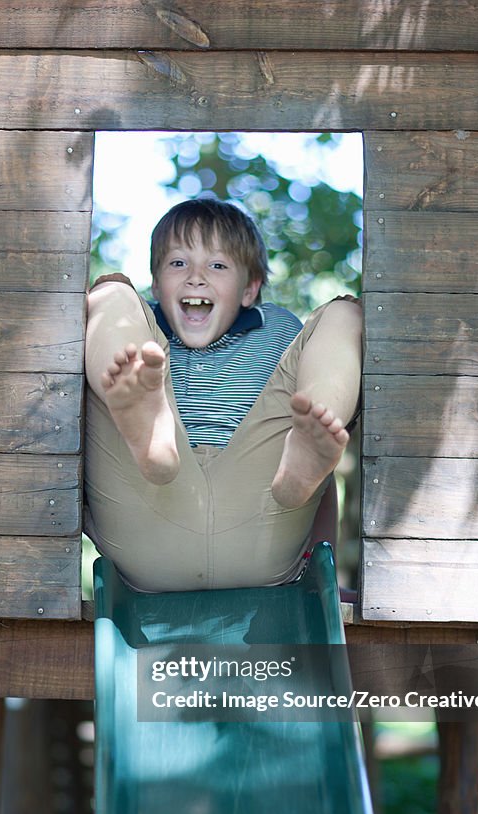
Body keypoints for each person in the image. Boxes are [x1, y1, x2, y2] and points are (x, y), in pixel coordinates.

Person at [84, 198, 362, 592]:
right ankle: (149, 432)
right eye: (178, 263)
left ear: (250, 289)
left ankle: (301, 465)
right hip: (148, 503)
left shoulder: (279, 330)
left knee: (345, 314)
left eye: (217, 265)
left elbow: (325, 475)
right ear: (157, 282)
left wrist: (325, 575)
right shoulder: (142, 334)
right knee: (110, 291)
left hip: (269, 510)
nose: (196, 278)